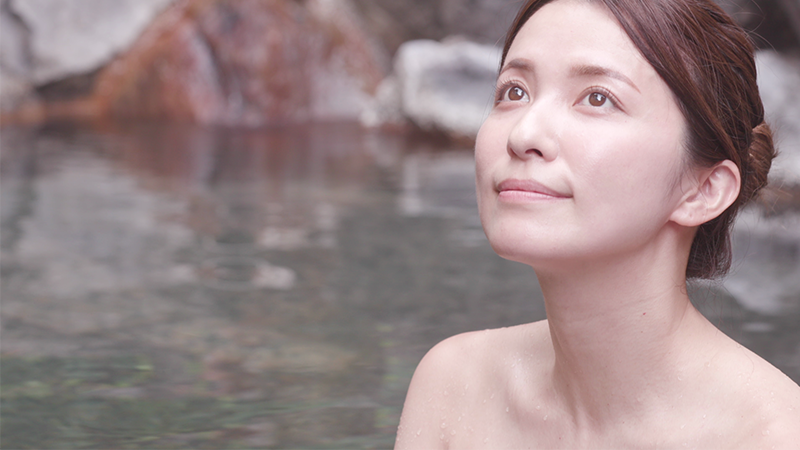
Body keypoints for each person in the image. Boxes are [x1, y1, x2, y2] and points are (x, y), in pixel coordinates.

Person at [393, 0, 800, 448]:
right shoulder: (455, 388)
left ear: (703, 189)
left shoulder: (770, 436)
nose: (524, 134)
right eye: (514, 91)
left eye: (597, 98)